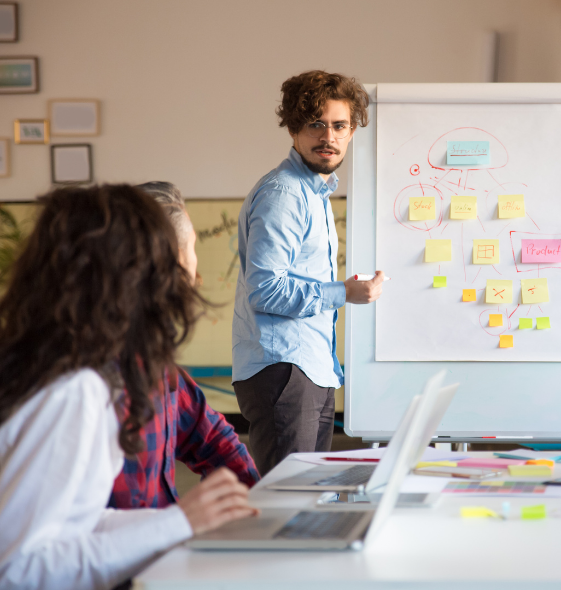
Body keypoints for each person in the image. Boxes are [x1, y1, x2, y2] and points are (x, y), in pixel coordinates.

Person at [0, 185, 257, 590]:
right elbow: (16, 569)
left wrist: (184, 522)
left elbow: (80, 521)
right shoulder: (77, 390)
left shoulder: (68, 365)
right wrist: (181, 521)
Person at [232, 70, 384, 475]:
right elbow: (265, 290)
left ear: (353, 131)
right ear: (294, 128)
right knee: (290, 505)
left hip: (307, 366)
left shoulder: (313, 192)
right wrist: (344, 293)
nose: (328, 137)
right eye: (316, 124)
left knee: (309, 499)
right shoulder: (285, 194)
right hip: (284, 368)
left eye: (339, 125)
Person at [108, 181, 259, 511]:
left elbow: (210, 436)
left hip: (162, 546)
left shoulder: (155, 361)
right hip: (131, 556)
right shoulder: (100, 374)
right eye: (192, 248)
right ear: (165, 260)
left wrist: (260, 501)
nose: (197, 271)